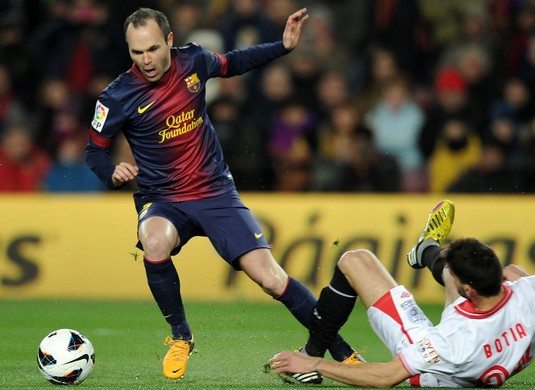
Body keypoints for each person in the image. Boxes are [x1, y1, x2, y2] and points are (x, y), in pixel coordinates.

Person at [84, 7, 362, 380]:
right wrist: (111, 171)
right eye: (136, 53)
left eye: (152, 49)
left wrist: (282, 46)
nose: (146, 60)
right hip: (163, 198)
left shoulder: (194, 60)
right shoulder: (117, 96)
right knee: (153, 242)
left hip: (215, 192)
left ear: (168, 40)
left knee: (271, 279)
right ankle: (181, 337)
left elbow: (234, 62)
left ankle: (342, 353)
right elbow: (93, 150)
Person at [267, 200, 535, 387]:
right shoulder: (531, 293)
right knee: (516, 271)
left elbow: (385, 377)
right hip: (494, 349)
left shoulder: (451, 341)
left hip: (438, 370)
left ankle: (309, 357)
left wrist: (314, 362)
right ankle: (425, 249)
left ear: (468, 291)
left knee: (356, 259)